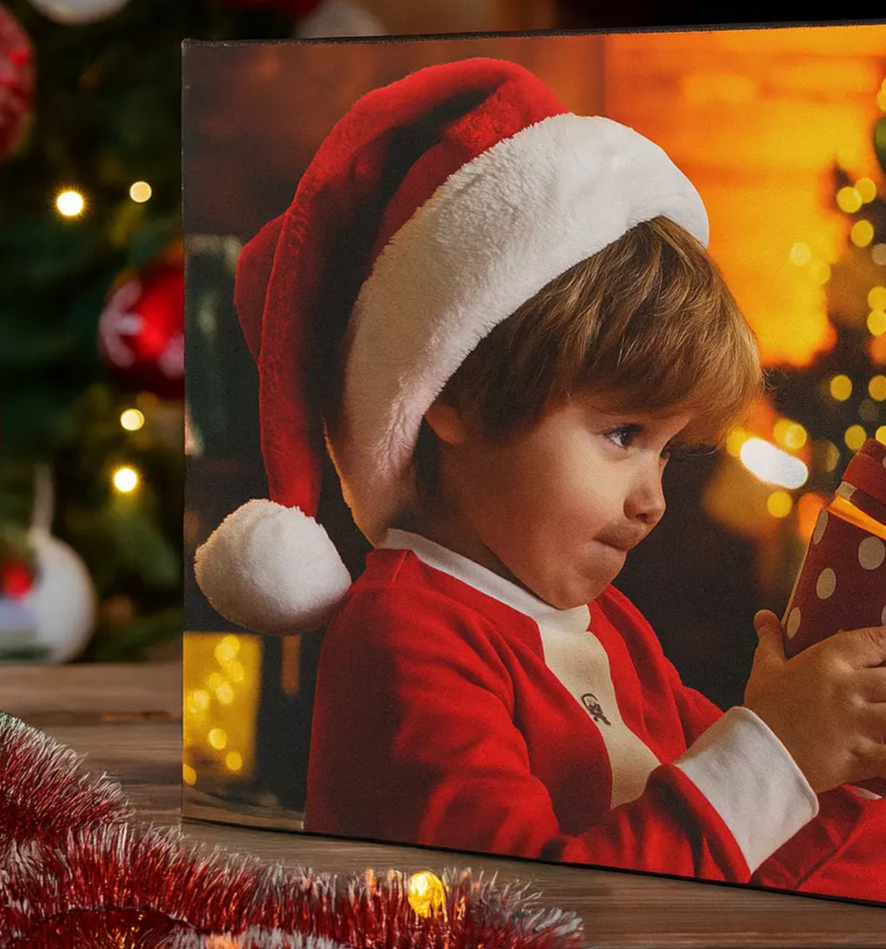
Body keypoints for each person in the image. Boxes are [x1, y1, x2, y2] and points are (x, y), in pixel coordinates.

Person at [194, 56, 886, 901]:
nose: (652, 500)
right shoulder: (405, 636)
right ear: (456, 395)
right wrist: (775, 753)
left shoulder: (608, 626)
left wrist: (824, 751)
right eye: (622, 435)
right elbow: (532, 908)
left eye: (666, 451)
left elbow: (761, 846)